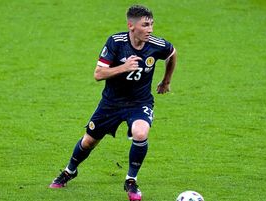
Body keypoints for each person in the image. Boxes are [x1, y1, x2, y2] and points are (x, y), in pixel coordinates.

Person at [49, 4, 177, 201]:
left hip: (139, 102)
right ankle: (69, 171)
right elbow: (98, 74)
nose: (150, 29)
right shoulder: (116, 43)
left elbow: (172, 53)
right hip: (111, 104)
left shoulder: (156, 44)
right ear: (131, 26)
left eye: (151, 24)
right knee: (89, 141)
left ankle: (131, 181)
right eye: (145, 25)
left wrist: (166, 80)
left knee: (141, 132)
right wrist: (123, 67)